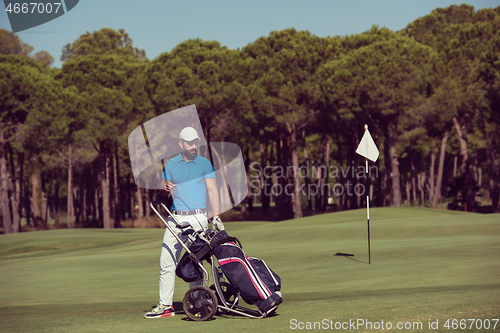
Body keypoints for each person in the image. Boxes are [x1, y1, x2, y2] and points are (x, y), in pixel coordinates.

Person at [144, 126, 224, 318]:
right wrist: (164, 188)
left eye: (195, 142)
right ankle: (166, 306)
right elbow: (166, 192)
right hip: (175, 217)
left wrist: (217, 216)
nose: (193, 145)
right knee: (166, 261)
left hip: (198, 218)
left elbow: (213, 191)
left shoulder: (205, 164)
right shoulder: (171, 165)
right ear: (181, 144)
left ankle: (196, 304)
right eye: (189, 143)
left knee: (195, 263)